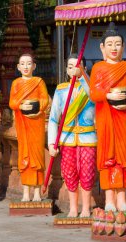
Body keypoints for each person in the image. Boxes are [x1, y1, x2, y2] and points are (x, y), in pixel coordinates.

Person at [89, 22, 126, 212]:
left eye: (117, 44)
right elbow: (94, 93)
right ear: (102, 47)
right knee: (107, 157)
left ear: (123, 46)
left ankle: (121, 198)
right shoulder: (98, 69)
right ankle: (109, 198)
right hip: (105, 117)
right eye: (109, 44)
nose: (114, 48)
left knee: (122, 157)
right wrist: (108, 95)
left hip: (123, 116)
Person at [48, 54, 97, 217]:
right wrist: (51, 143)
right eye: (70, 66)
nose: (74, 69)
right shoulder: (61, 89)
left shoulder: (90, 87)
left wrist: (82, 76)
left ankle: (85, 208)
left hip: (88, 137)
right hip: (67, 138)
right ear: (67, 70)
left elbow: (95, 96)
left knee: (87, 172)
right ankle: (73, 208)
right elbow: (54, 118)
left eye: (78, 65)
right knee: (69, 173)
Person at [9, 54, 49, 202]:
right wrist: (20, 105)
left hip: (36, 123)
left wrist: (38, 107)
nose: (26, 67)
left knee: (37, 157)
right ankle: (25, 192)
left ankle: (38, 192)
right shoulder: (16, 83)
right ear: (18, 67)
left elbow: (45, 99)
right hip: (22, 123)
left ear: (34, 66)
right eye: (22, 64)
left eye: (28, 64)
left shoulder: (39, 82)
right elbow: (12, 102)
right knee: (24, 156)